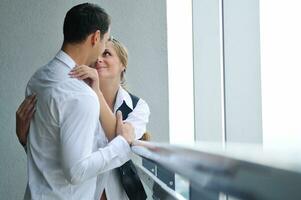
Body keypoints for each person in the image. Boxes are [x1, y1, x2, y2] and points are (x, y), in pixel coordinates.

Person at [19, 3, 136, 200]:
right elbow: (76, 171)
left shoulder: (37, 80)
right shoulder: (81, 95)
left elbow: (47, 148)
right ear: (95, 38)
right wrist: (122, 144)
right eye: (105, 40)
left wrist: (24, 140)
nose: (102, 50)